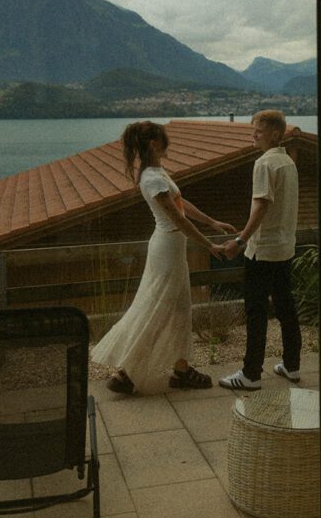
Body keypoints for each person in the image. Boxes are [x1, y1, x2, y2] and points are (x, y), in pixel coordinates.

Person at [91, 121, 235, 394]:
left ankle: (180, 370)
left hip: (171, 248)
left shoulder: (157, 172)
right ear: (154, 144)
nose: (168, 144)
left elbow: (182, 204)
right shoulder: (152, 179)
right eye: (164, 140)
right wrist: (210, 245)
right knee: (158, 307)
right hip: (167, 249)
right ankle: (125, 373)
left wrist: (211, 221)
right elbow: (178, 220)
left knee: (179, 308)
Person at [219, 109, 302, 391]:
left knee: (256, 311)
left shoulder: (264, 164)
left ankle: (251, 374)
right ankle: (292, 366)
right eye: (253, 129)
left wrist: (240, 241)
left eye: (259, 130)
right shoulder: (289, 163)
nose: (253, 134)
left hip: (263, 250)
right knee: (285, 307)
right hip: (285, 248)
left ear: (276, 134)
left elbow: (261, 205)